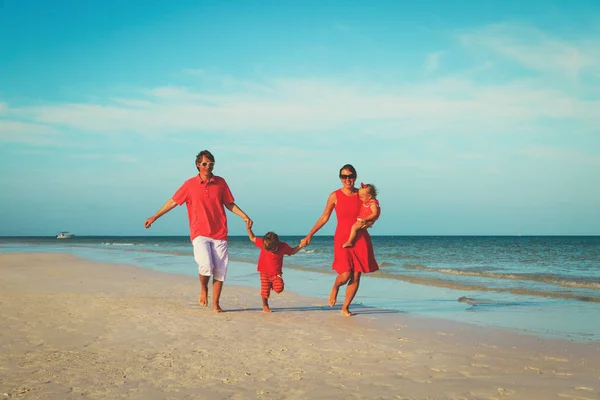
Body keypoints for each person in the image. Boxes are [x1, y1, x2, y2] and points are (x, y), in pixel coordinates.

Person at [144, 150, 253, 313]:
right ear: (197, 165)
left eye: (211, 164)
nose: (208, 167)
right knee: (206, 265)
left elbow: (229, 203)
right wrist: (155, 217)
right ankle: (204, 288)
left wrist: (244, 216)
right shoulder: (189, 185)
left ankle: (216, 303)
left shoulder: (220, 182)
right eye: (204, 164)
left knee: (220, 270)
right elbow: (173, 202)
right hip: (199, 232)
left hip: (220, 232)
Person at [300, 164, 379, 316]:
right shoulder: (335, 196)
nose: (347, 179)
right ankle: (335, 287)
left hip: (360, 237)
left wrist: (370, 222)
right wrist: (310, 234)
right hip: (342, 238)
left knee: (356, 274)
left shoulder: (362, 194)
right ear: (340, 178)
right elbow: (324, 217)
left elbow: (373, 210)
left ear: (355, 177)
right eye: (344, 176)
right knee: (346, 274)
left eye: (350, 176)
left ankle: (345, 308)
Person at [246, 226, 303, 312]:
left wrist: (301, 245)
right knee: (265, 289)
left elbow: (292, 251)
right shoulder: (263, 243)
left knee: (279, 289)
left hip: (276, 273)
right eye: (267, 249)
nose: (270, 251)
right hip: (264, 270)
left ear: (277, 244)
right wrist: (249, 228)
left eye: (272, 249)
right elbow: (252, 238)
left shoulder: (283, 246)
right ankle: (265, 305)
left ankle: (272, 283)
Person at [342, 183, 380, 248]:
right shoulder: (368, 201)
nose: (360, 199)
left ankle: (350, 241)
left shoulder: (372, 204)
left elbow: (374, 214)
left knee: (354, 227)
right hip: (367, 219)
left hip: (367, 218)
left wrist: (366, 219)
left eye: (362, 197)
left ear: (369, 196)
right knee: (360, 227)